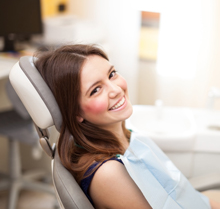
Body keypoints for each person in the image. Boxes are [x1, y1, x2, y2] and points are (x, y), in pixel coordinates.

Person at [34, 44, 220, 209]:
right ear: (75, 112)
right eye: (96, 89)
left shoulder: (125, 136)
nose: (116, 89)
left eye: (111, 74)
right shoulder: (108, 173)